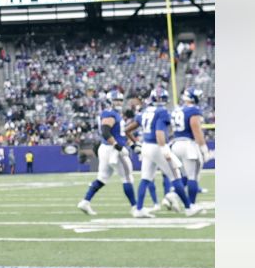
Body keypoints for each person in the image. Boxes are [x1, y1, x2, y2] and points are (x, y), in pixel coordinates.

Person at [77, 89, 139, 217]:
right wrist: (117, 146)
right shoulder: (110, 114)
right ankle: (135, 207)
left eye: (120, 100)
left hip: (106, 149)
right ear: (109, 100)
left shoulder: (114, 114)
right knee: (127, 178)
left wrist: (132, 145)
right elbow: (106, 131)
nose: (118, 102)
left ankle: (85, 201)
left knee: (102, 178)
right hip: (113, 150)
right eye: (116, 99)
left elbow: (119, 133)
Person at [134, 87, 192, 217]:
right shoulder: (162, 112)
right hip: (157, 146)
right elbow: (159, 132)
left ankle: (139, 209)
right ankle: (188, 207)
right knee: (176, 176)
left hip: (146, 146)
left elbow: (128, 129)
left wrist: (134, 143)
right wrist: (164, 147)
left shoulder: (144, 111)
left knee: (146, 178)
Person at [170, 87, 211, 215]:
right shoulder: (193, 110)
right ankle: (191, 205)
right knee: (192, 176)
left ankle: (172, 195)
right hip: (188, 145)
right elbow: (196, 129)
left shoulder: (177, 110)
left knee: (183, 176)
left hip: (176, 143)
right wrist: (204, 149)